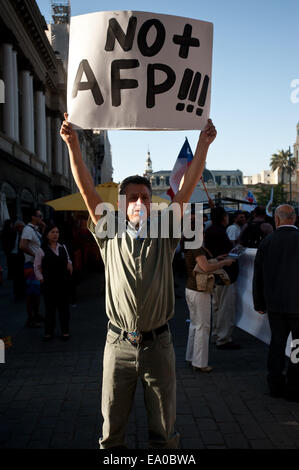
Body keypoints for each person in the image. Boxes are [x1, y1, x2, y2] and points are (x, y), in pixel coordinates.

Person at [60, 112, 217, 449]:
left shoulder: (164, 234)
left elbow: (186, 189)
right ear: (121, 204)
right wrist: (73, 145)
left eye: (145, 197)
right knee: (112, 433)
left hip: (158, 346)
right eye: (132, 198)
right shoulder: (109, 232)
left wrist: (203, 145)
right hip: (117, 346)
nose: (140, 202)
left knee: (164, 433)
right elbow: (88, 191)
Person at [253, 204, 299, 402]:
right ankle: (295, 385)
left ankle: (275, 383)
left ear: (276, 220)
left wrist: (259, 303)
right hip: (297, 306)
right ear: (294, 218)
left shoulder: (267, 242)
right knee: (297, 345)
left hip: (275, 305)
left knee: (277, 343)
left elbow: (258, 276)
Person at [184, 238, 234, 372]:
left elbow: (201, 264)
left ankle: (191, 357)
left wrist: (217, 259)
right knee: (203, 326)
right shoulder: (198, 247)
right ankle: (200, 363)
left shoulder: (191, 245)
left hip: (191, 288)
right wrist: (223, 262)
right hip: (199, 290)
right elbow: (205, 267)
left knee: (195, 324)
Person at [204, 206, 240, 349]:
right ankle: (223, 338)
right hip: (225, 274)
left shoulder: (210, 231)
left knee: (217, 306)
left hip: (216, 273)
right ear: (223, 217)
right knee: (225, 306)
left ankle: (216, 334)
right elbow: (225, 252)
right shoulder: (219, 232)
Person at [34, 224, 73, 341]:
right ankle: (49, 332)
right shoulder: (41, 250)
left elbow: (68, 258)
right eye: (52, 232)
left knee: (64, 309)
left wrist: (69, 263)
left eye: (57, 232)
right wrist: (41, 279)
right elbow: (36, 266)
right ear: (47, 235)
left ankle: (65, 331)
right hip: (49, 284)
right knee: (50, 309)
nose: (55, 234)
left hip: (63, 283)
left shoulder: (62, 247)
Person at [20, 209, 45, 327]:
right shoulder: (28, 230)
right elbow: (22, 246)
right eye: (39, 216)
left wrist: (44, 228)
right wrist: (36, 256)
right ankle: (30, 319)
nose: (41, 218)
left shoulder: (35, 230)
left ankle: (36, 315)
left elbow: (41, 243)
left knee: (36, 292)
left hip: (36, 265)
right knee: (31, 293)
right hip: (31, 265)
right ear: (33, 217)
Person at [10, 221, 26, 300]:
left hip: (22, 257)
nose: (20, 229)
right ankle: (16, 293)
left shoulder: (25, 235)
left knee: (22, 275)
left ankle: (22, 292)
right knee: (16, 276)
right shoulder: (13, 234)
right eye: (18, 227)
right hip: (14, 256)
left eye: (21, 227)